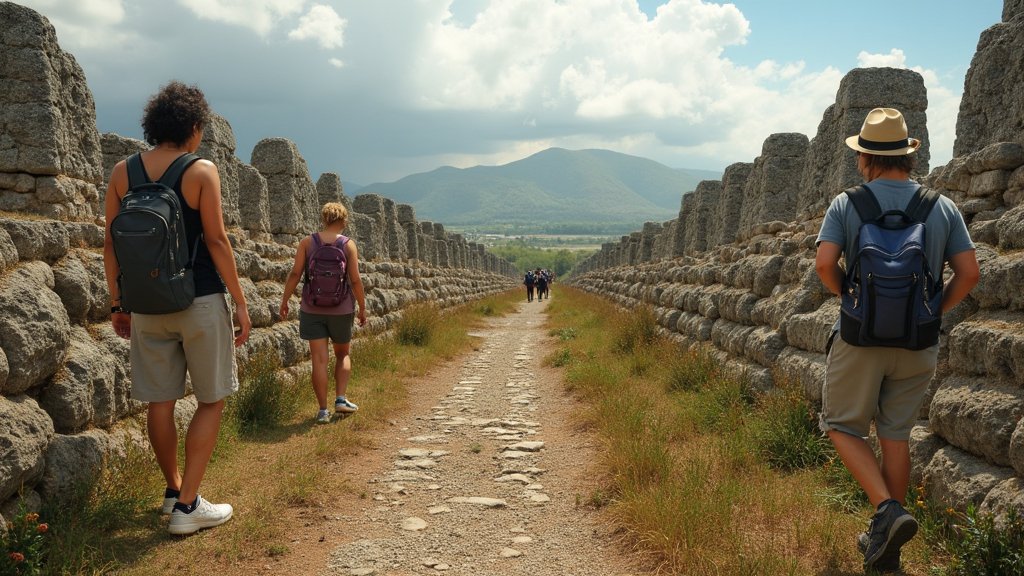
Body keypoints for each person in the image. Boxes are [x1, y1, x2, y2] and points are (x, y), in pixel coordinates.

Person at [815, 108, 979, 572]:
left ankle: (887, 512)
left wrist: (846, 295)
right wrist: (932, 310)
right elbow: (970, 274)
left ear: (865, 157)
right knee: (896, 437)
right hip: (918, 342)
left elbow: (825, 264)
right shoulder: (941, 207)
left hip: (859, 338)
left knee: (842, 426)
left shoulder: (848, 203)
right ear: (909, 154)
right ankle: (888, 552)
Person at [103, 81, 252, 535]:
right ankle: (189, 506)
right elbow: (217, 240)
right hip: (201, 300)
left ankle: (172, 492)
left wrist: (118, 303)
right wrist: (241, 302)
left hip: (146, 305)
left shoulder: (121, 172)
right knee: (211, 400)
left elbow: (110, 245)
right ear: (192, 127)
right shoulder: (201, 171)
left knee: (160, 402)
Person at [280, 202, 367, 424]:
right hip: (341, 308)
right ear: (344, 221)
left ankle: (322, 411)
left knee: (319, 360)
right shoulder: (348, 245)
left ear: (323, 219)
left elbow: (295, 273)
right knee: (342, 354)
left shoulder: (307, 243)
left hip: (312, 307)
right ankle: (340, 398)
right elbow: (355, 280)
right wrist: (363, 308)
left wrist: (285, 299)